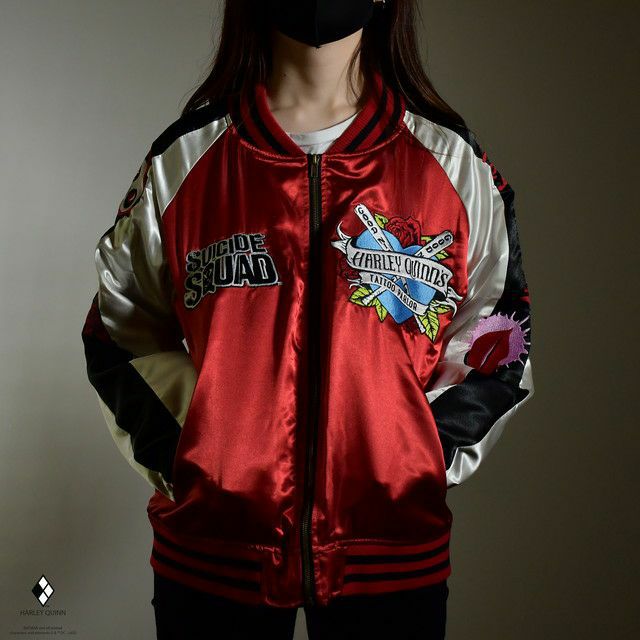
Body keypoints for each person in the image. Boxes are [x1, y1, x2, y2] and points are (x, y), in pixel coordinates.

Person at [81, 0, 535, 638]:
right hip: (214, 556)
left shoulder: (451, 166)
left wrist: (415, 456)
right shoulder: (185, 162)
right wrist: (198, 455)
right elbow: (119, 331)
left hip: (390, 555)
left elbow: (499, 337)